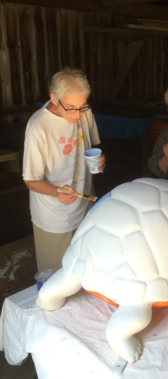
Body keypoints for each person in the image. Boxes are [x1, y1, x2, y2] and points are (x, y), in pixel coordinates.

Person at [23, 68, 106, 271]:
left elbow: (91, 147)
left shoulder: (83, 112)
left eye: (82, 107)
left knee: (86, 270)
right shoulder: (38, 128)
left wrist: (100, 161)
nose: (78, 115)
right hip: (55, 217)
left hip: (85, 207)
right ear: (53, 98)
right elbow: (30, 180)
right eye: (70, 108)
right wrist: (56, 192)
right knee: (57, 277)